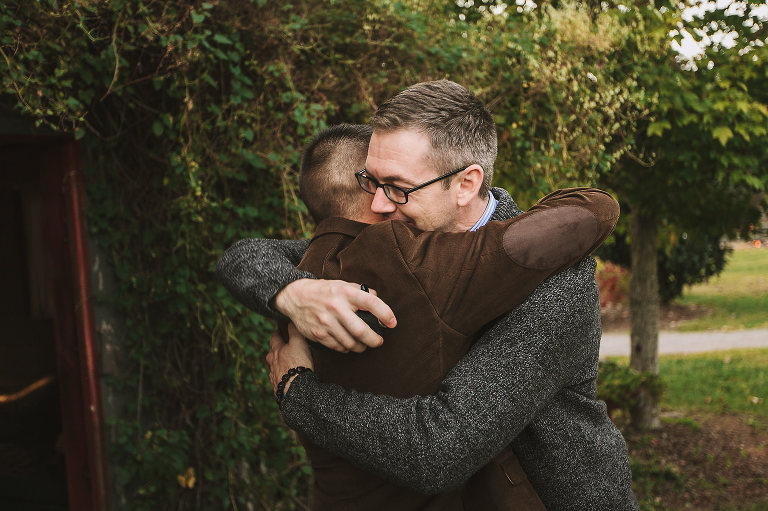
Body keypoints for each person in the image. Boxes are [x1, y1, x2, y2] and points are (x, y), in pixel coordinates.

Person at [217, 80, 639, 510]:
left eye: (397, 187)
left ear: (465, 184)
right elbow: (245, 256)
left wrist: (298, 392)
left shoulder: (553, 283)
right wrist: (294, 291)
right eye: (370, 182)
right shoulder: (394, 241)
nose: (377, 205)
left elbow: (441, 449)